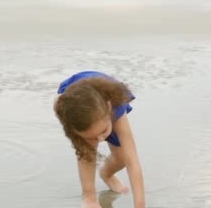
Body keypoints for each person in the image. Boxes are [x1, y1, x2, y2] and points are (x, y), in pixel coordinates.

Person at [54, 71, 145, 208]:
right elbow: (84, 154)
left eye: (103, 132)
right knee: (86, 152)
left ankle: (106, 174)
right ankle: (89, 195)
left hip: (104, 99)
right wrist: (89, 197)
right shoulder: (62, 107)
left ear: (109, 110)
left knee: (122, 157)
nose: (100, 139)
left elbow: (132, 161)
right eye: (92, 137)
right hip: (75, 104)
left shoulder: (117, 110)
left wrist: (140, 205)